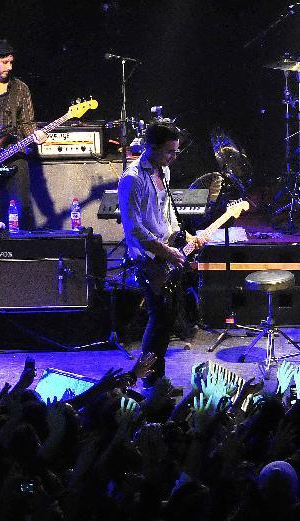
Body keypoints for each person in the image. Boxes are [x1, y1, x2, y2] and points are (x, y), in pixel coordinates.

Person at [118, 121, 207, 386]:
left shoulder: (164, 171)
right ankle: (151, 380)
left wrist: (184, 237)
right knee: (158, 321)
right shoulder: (132, 179)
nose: (174, 157)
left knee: (165, 322)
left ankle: (157, 378)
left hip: (166, 253)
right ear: (151, 148)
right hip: (149, 259)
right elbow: (134, 229)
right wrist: (167, 253)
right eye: (169, 151)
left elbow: (166, 216)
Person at [0, 39, 47, 226]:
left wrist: (36, 135)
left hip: (14, 154)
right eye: (4, 62)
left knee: (23, 209)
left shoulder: (21, 88)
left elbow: (27, 122)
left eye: (11, 62)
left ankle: (23, 253)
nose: (9, 67)